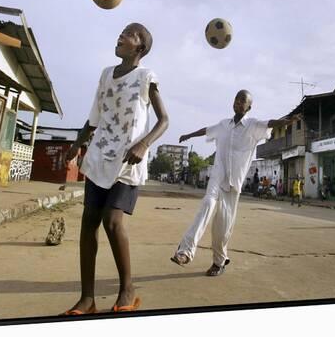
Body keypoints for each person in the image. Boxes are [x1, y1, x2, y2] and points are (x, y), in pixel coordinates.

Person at [62, 23, 169, 315]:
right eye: (122, 32)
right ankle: (87, 299)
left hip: (127, 160)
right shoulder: (106, 74)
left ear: (140, 48)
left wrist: (144, 144)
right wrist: (76, 145)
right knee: (88, 225)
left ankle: (127, 290)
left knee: (112, 221)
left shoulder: (147, 77)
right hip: (99, 156)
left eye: (130, 35)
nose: (121, 36)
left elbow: (164, 121)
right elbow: (93, 118)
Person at [170, 90, 301, 276]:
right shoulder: (223, 125)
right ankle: (185, 251)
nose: (238, 103)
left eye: (243, 101)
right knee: (207, 204)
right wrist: (189, 135)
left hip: (233, 185)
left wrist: (287, 121)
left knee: (222, 229)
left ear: (249, 106)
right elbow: (206, 130)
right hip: (218, 176)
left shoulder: (253, 125)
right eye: (237, 99)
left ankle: (219, 262)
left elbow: (270, 123)